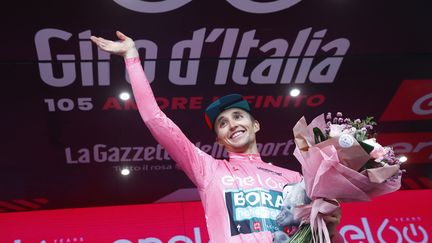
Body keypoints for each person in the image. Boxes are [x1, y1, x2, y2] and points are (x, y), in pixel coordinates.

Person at [90, 31, 342, 242]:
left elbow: (315, 236)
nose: (232, 125)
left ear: (255, 125)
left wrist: (329, 227)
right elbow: (155, 118)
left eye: (238, 117)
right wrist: (131, 57)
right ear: (220, 140)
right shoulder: (209, 170)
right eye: (223, 123)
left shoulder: (295, 179)